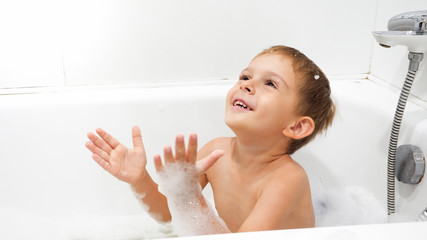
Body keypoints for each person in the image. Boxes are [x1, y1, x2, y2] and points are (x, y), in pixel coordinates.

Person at [85, 45, 335, 234]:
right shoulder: (218, 151)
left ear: (297, 126)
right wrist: (140, 180)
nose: (246, 85)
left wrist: (191, 198)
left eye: (270, 83)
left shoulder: (287, 179)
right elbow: (168, 215)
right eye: (245, 76)